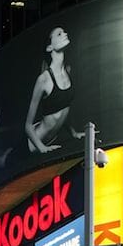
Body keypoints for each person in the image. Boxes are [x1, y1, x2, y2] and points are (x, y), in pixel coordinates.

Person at [22, 27, 84, 155]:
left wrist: (73, 133)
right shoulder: (43, 79)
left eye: (65, 32)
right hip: (31, 146)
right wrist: (42, 148)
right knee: (3, 161)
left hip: (50, 142)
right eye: (59, 34)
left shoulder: (68, 71)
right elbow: (28, 126)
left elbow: (63, 109)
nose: (65, 34)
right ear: (49, 47)